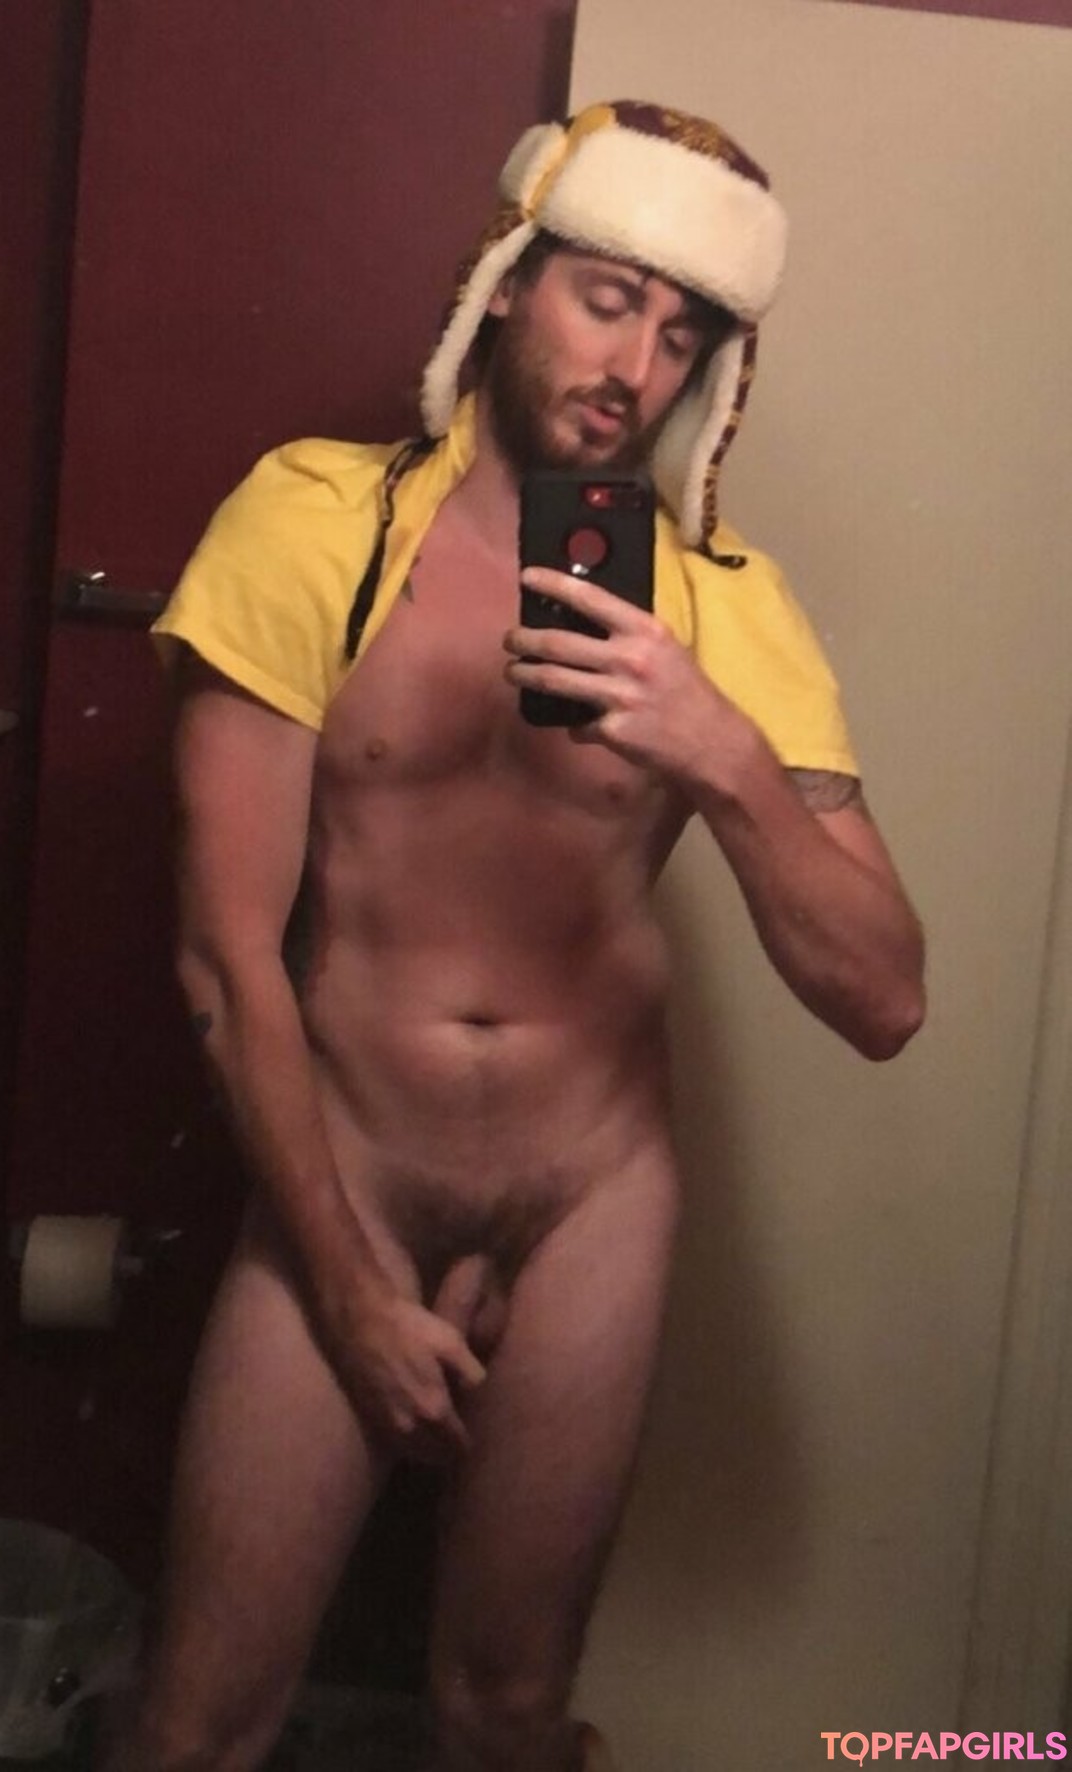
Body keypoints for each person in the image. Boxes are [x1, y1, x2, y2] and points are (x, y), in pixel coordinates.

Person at [109, 99, 925, 1772]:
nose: (636, 366)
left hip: (590, 1194)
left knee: (503, 1715)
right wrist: (349, 1289)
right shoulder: (319, 523)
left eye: (681, 336)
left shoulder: (720, 605)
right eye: (607, 300)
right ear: (508, 287)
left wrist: (717, 748)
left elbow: (885, 994)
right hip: (349, 1162)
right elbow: (223, 960)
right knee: (199, 1725)